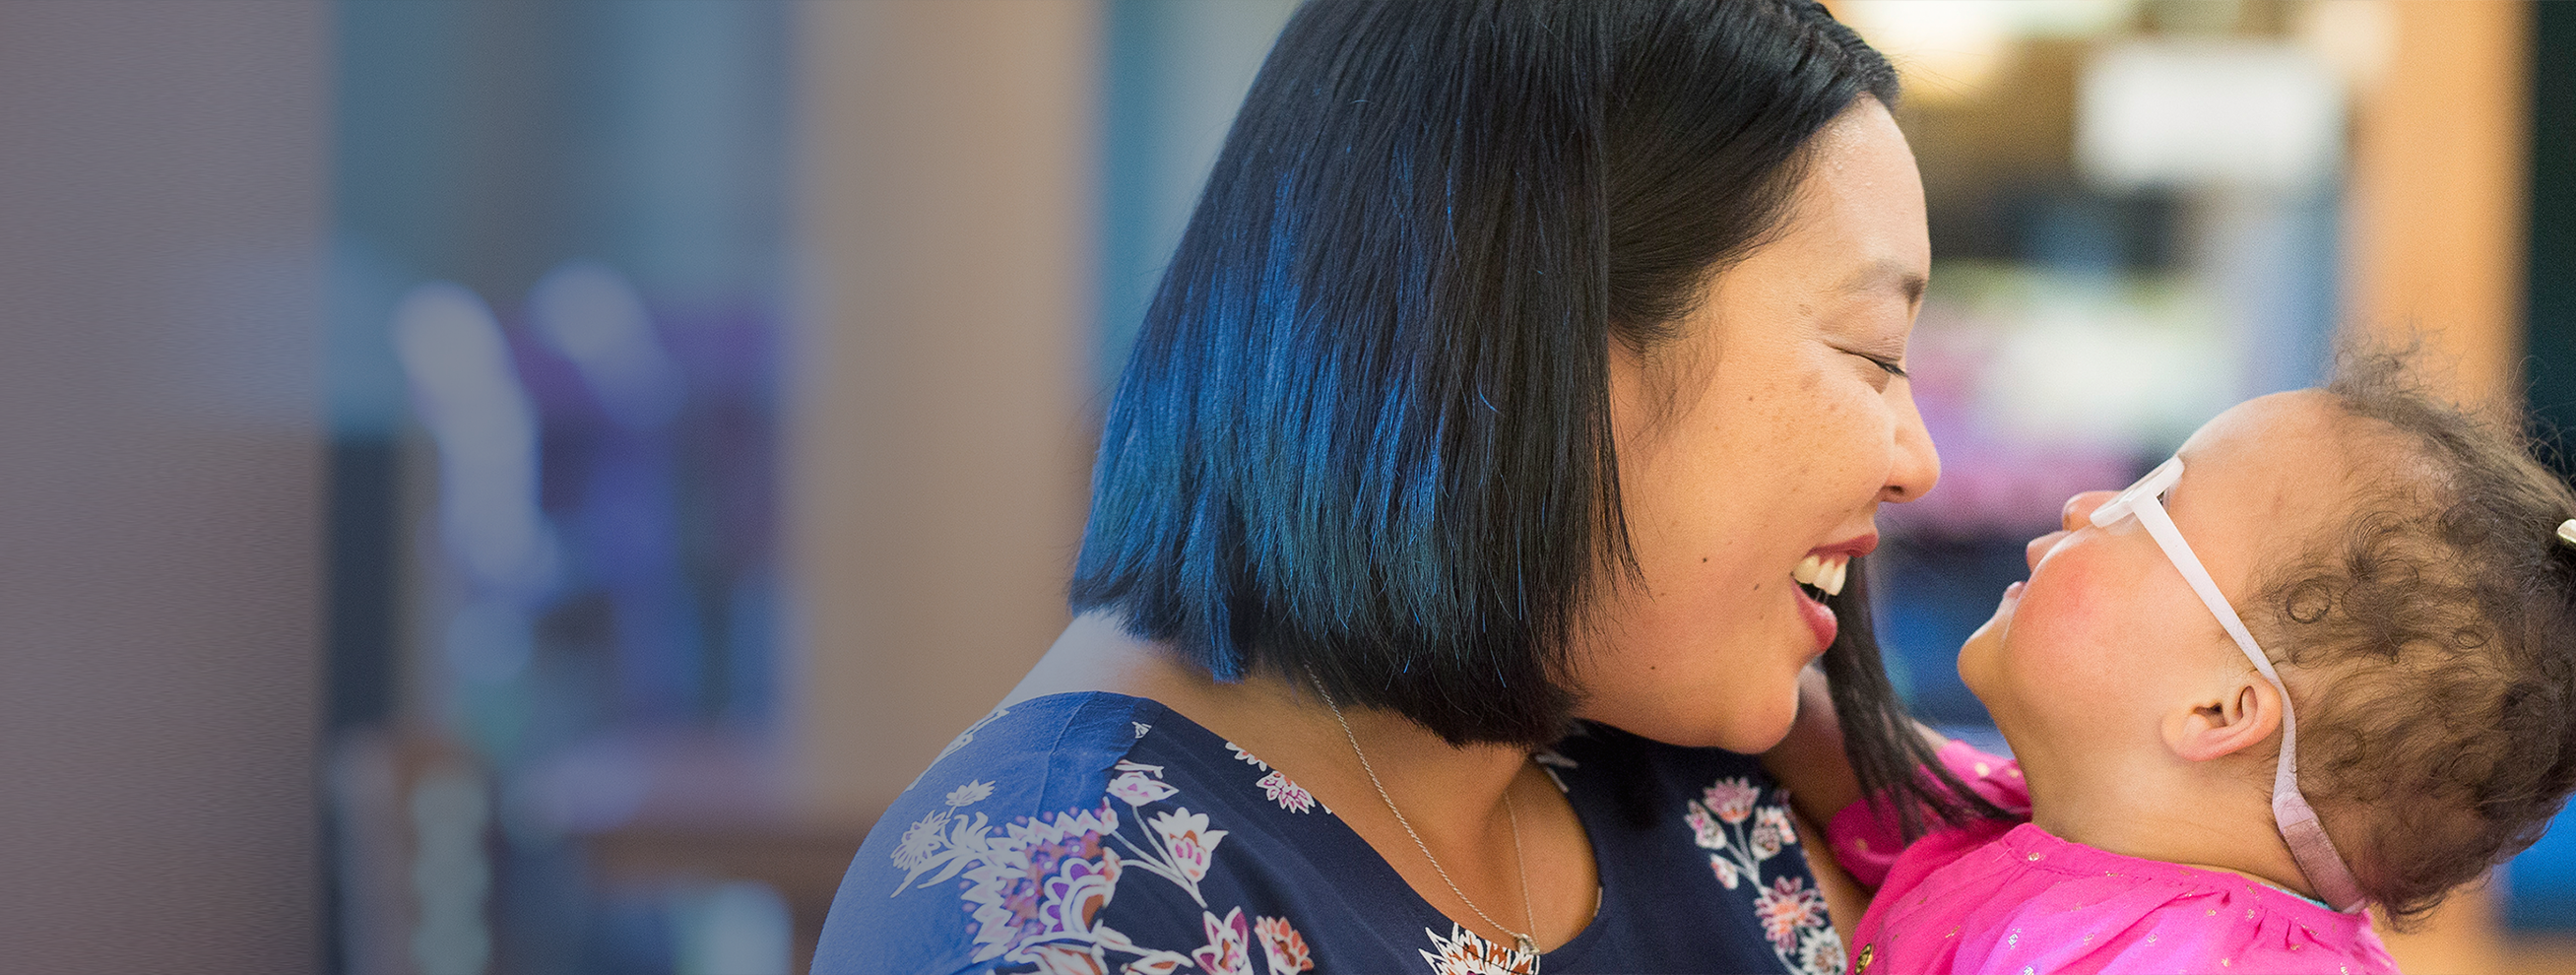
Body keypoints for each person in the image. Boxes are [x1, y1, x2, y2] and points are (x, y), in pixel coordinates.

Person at [812, 1, 1999, 971]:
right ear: (1535, 332)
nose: (1915, 461)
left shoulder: (1712, 786)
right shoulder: (1076, 911)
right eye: (1871, 356)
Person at [1773, 356, 2576, 973]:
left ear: (2223, 711)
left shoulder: (2209, 962)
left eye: (2145, 508)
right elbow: (1848, 754)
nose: (2082, 505)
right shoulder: (2036, 821)